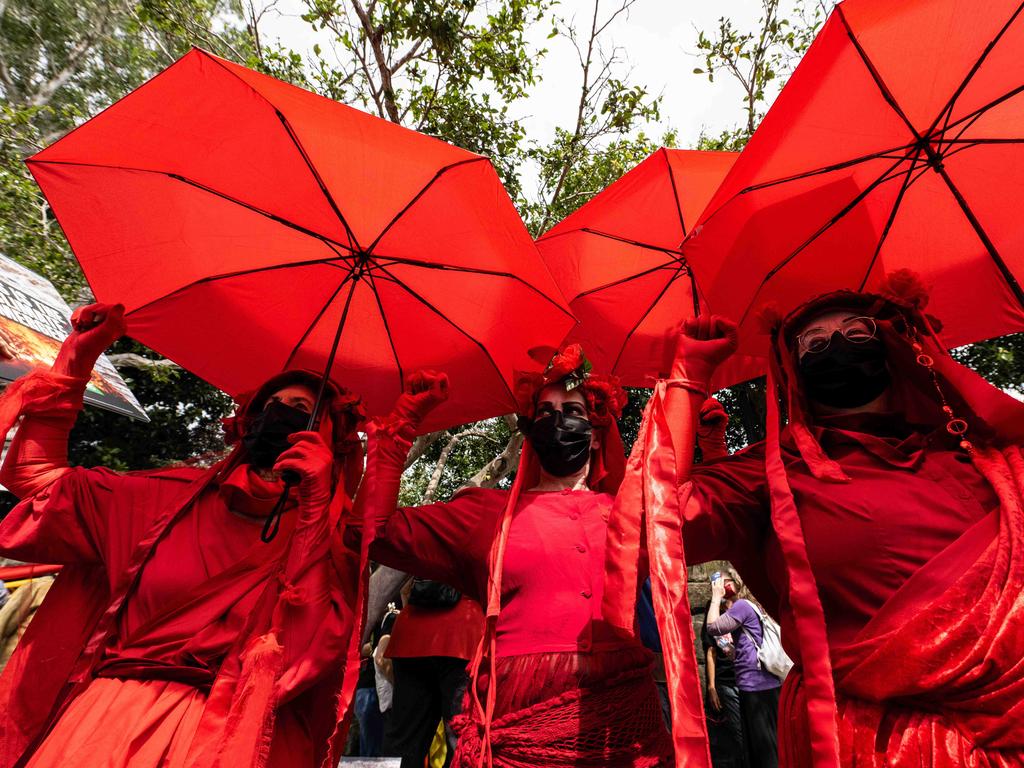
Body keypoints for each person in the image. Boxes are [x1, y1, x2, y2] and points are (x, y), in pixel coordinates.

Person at [645, 270, 1024, 766]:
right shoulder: (769, 472)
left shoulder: (983, 457)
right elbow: (656, 518)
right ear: (795, 369)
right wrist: (687, 379)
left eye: (857, 332)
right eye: (815, 342)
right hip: (876, 746)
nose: (838, 345)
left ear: (891, 345)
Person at [0, 302, 366, 768]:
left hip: (233, 738)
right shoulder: (160, 498)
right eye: (272, 406)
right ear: (248, 423)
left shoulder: (332, 537)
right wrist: (77, 358)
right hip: (106, 728)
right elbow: (37, 477)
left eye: (301, 410)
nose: (282, 414)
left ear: (330, 440)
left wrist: (316, 507)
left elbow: (310, 656)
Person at [352, 346, 673, 767]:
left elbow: (693, 507)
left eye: (572, 410)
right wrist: (399, 433)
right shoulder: (484, 513)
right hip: (518, 729)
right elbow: (370, 533)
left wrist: (692, 394)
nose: (557, 421)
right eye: (545, 412)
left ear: (596, 433)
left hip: (625, 731)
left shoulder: (631, 513)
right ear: (530, 431)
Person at [384, 579, 483, 768]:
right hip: (463, 635)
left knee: (407, 742)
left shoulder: (418, 548)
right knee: (461, 736)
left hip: (411, 635)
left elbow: (403, 588)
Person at [706, 578, 778, 768]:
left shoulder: (743, 606)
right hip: (767, 685)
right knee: (766, 744)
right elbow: (751, 647)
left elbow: (712, 627)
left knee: (763, 748)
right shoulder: (756, 605)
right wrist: (732, 650)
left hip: (756, 686)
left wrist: (715, 598)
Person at [701, 582, 745, 768]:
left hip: (748, 681)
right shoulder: (713, 614)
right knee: (738, 733)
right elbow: (710, 652)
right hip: (726, 682)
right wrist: (711, 686)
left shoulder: (745, 608)